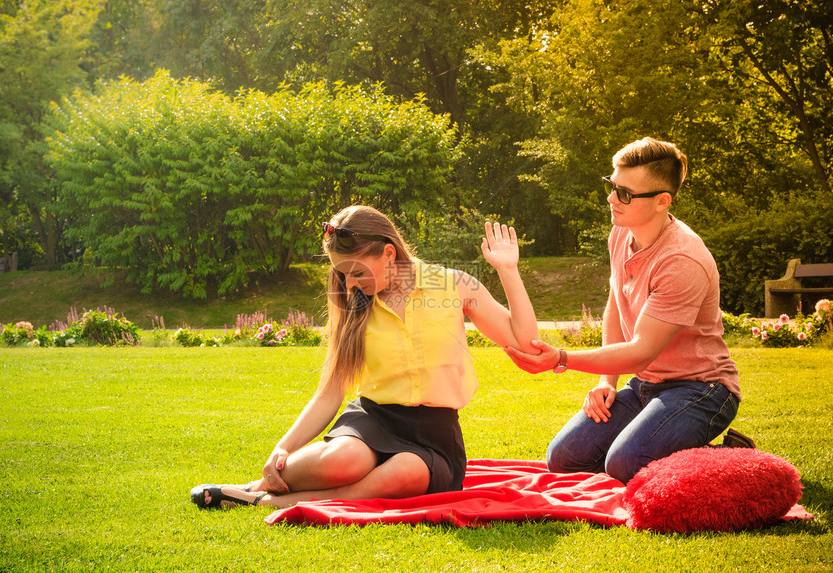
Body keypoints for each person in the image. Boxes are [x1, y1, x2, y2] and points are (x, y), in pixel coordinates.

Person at [191, 205, 539, 509]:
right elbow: (330, 393)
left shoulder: (455, 285)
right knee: (339, 461)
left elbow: (526, 341)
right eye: (342, 274)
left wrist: (508, 270)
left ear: (389, 254)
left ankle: (268, 500)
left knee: (406, 473)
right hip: (372, 419)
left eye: (357, 272)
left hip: (434, 433)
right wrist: (283, 448)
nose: (350, 283)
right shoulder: (353, 304)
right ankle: (256, 488)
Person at [504, 137, 754, 484]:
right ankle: (659, 442)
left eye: (624, 193)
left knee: (623, 464)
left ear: (661, 201)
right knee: (563, 458)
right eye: (611, 186)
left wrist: (561, 358)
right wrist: (607, 383)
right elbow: (615, 306)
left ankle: (731, 457)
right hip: (647, 385)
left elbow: (640, 351)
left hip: (702, 389)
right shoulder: (621, 233)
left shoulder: (682, 259)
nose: (610, 198)